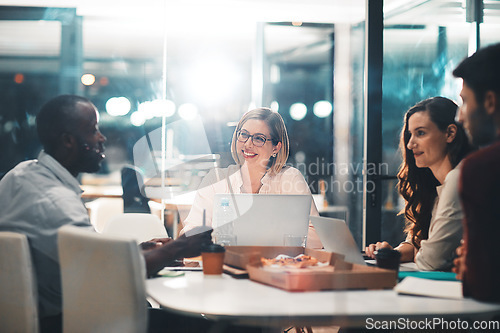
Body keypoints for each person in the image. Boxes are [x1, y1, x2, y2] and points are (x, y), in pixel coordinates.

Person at [0, 95, 212, 333]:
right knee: (201, 325)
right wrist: (179, 248)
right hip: (71, 321)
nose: (102, 138)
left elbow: (85, 254)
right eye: (93, 130)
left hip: (45, 312)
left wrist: (140, 250)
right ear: (68, 141)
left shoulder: (21, 174)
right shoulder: (55, 203)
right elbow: (109, 273)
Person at [181, 107, 322, 248]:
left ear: (276, 147)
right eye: (243, 135)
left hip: (275, 267)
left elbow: (317, 236)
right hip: (224, 265)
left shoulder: (289, 178)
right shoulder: (216, 179)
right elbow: (191, 233)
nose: (248, 144)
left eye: (259, 138)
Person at [365, 97, 473, 271]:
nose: (410, 144)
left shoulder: (457, 179)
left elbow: (430, 261)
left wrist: (420, 252)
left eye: (421, 133)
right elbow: (418, 242)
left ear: (450, 134)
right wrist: (394, 253)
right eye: (410, 134)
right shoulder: (436, 187)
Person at [452, 43, 500, 302]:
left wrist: (470, 268)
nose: (460, 116)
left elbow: (484, 286)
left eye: (465, 101)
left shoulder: (482, 168)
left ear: (490, 102)